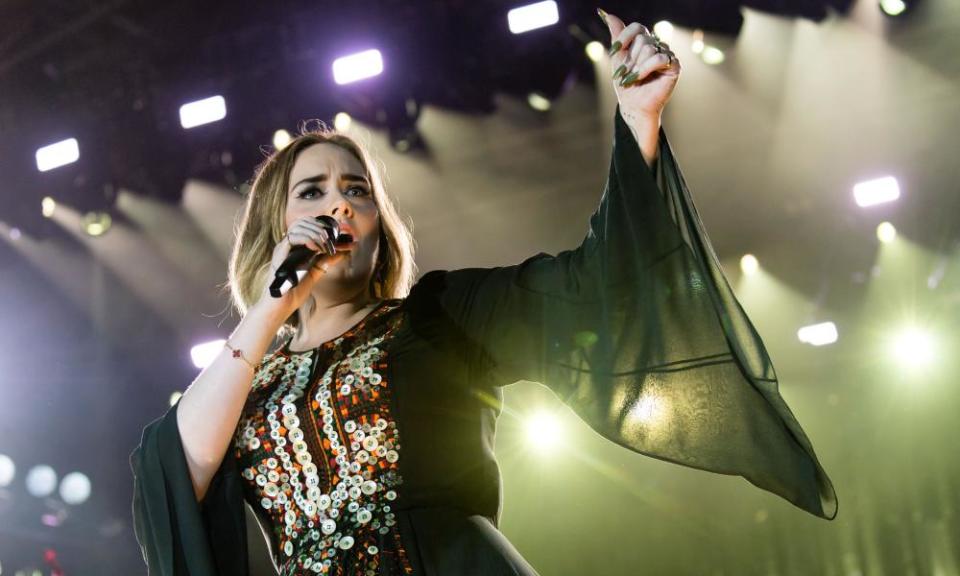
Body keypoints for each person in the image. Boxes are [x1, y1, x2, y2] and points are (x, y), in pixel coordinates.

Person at [130, 11, 837, 576]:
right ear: (274, 227)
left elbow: (597, 283)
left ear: (380, 230)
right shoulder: (247, 383)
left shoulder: (437, 316)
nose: (339, 206)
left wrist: (638, 124)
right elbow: (173, 464)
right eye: (312, 192)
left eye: (358, 193)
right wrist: (272, 308)